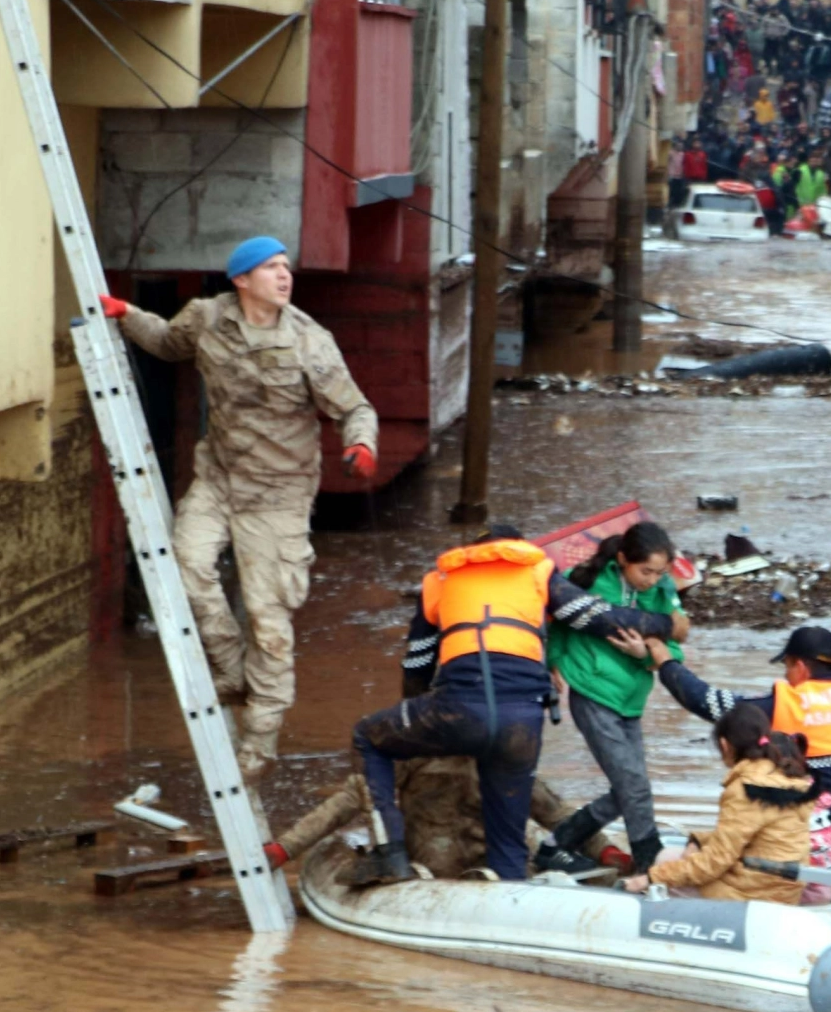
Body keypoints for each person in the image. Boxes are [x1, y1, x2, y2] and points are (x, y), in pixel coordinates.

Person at [101, 237, 378, 781]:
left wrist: (361, 443)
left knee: (269, 620)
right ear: (241, 279)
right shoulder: (208, 318)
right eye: (270, 268)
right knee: (184, 565)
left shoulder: (308, 341)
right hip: (220, 479)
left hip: (279, 494)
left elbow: (354, 406)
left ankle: (258, 744)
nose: (284, 276)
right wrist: (127, 314)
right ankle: (229, 669)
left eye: (286, 267)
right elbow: (165, 342)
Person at [347, 525, 679, 886]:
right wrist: (667, 624)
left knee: (367, 735)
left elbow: (416, 664)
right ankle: (510, 882)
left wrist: (418, 728)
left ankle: (388, 855)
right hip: (522, 722)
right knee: (508, 841)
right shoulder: (538, 571)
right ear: (518, 549)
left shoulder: (440, 581)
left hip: (457, 709)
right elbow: (600, 619)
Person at [626, 626, 831, 900]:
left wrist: (665, 662)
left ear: (798, 666)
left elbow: (708, 701)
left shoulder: (791, 703)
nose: (786, 675)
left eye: (786, 667)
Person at [536, 523, 690, 876]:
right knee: (633, 784)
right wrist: (554, 661)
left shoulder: (662, 595)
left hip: (632, 699)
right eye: (645, 571)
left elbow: (674, 652)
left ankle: (556, 845)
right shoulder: (586, 579)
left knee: (630, 788)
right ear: (622, 559)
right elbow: (557, 621)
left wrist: (643, 653)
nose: (651, 580)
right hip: (592, 693)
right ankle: (648, 859)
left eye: (659, 572)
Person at [620, 703, 814, 904]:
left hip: (752, 893)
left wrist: (650, 878)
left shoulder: (745, 788)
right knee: (673, 861)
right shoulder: (788, 776)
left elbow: (714, 863)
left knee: (665, 860)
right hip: (784, 888)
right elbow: (751, 835)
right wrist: (699, 840)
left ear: (724, 745)